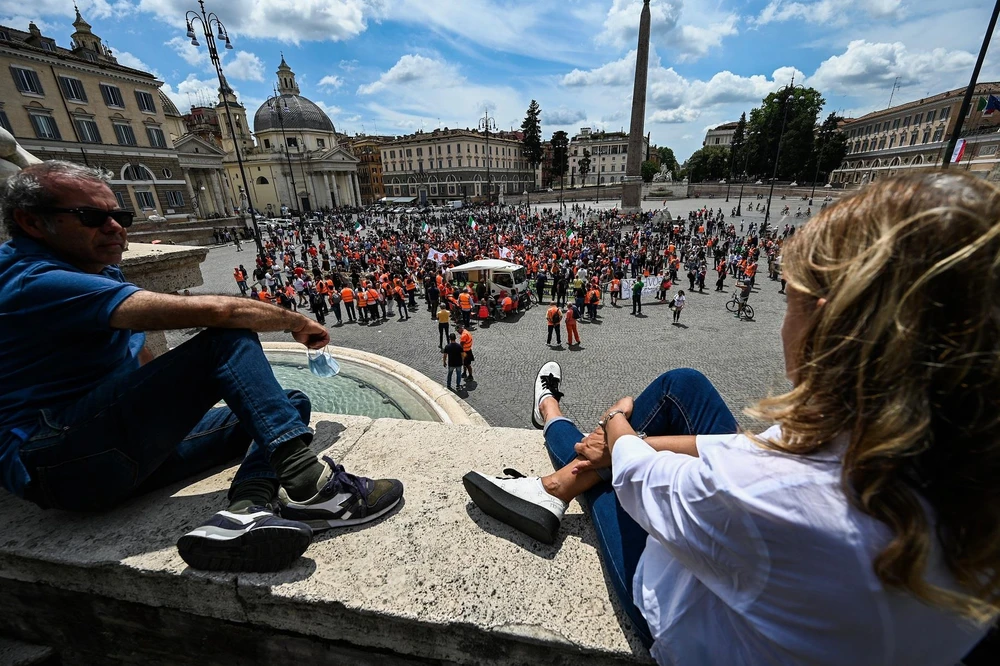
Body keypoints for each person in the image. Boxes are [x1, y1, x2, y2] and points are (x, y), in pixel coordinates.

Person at [461, 173, 1000, 665]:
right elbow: (761, 450)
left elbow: (638, 476)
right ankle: (558, 451)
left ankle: (551, 445)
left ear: (830, 323)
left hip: (679, 617)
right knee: (683, 386)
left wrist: (619, 422)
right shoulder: (932, 443)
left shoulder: (782, 500)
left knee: (602, 470)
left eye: (791, 297)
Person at [0, 161, 404, 574]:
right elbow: (220, 311)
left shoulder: (91, 270)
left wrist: (172, 400)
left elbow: (141, 364)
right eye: (92, 217)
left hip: (113, 455)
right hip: (57, 463)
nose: (115, 228)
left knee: (288, 403)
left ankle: (247, 509)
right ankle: (313, 487)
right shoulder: (31, 280)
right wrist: (295, 321)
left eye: (120, 216)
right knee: (226, 337)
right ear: (32, 222)